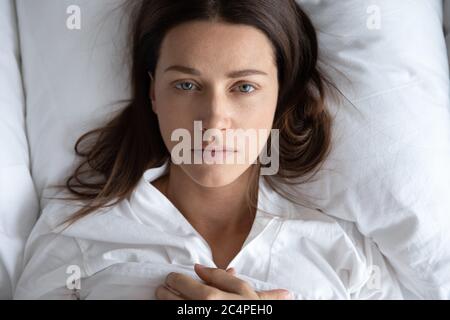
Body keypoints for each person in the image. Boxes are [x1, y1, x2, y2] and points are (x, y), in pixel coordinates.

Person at [14, 0, 403, 300]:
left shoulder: (345, 252)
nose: (214, 120)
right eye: (186, 85)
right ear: (153, 92)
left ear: (280, 97)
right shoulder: (77, 234)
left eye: (244, 87)